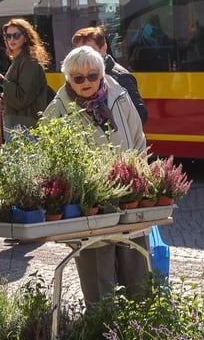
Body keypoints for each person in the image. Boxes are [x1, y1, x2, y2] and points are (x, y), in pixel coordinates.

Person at [42, 45, 149, 304]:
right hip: (89, 202)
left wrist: (139, 178)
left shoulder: (119, 96)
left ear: (101, 75)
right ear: (68, 78)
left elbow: (138, 137)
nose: (86, 82)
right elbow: (47, 155)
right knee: (98, 279)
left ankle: (142, 325)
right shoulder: (57, 109)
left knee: (136, 270)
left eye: (92, 76)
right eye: (78, 78)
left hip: (127, 195)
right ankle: (101, 327)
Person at [0, 18, 50, 138]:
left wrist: (0, 79)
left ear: (26, 37)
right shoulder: (19, 60)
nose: (11, 39)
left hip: (25, 128)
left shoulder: (29, 62)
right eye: (8, 36)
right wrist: (4, 97)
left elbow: (22, 98)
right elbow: (18, 93)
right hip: (18, 125)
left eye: (16, 35)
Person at [72, 26, 148, 124]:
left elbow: (140, 114)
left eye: (90, 51)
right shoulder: (76, 78)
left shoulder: (120, 77)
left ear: (104, 48)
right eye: (79, 53)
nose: (85, 57)